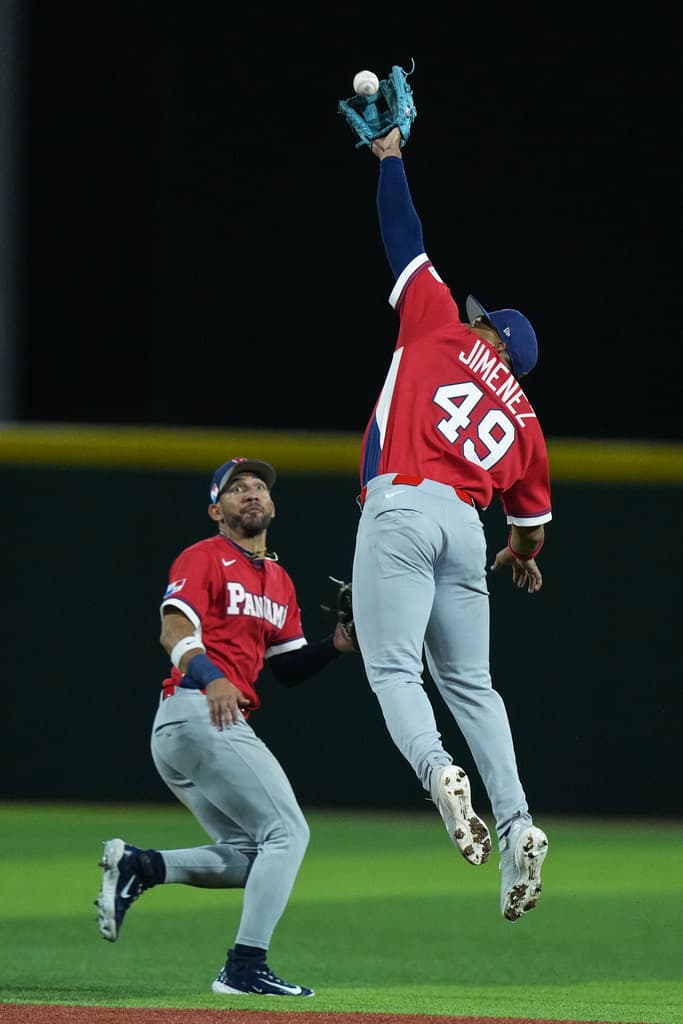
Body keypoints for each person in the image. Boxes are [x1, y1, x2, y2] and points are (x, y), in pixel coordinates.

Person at [349, 127, 551, 922]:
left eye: (482, 322)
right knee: (473, 686)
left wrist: (389, 156)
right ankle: (519, 824)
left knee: (394, 673)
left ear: (488, 334)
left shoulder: (436, 323)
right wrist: (518, 551)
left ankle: (437, 774)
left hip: (401, 504)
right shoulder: (528, 420)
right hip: (467, 530)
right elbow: (531, 525)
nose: (472, 322)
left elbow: (403, 236)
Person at [95, 456, 357, 996]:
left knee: (251, 854)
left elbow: (285, 667)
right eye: (238, 489)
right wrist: (212, 676)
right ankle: (244, 968)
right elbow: (173, 630)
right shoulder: (204, 556)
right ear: (217, 509)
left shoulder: (279, 580)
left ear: (274, 506)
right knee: (290, 833)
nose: (252, 493)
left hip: (199, 725)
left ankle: (142, 866)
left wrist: (334, 647)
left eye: (260, 487)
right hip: (197, 708)